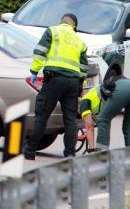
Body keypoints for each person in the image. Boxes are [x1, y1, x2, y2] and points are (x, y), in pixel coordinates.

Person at [24, 13, 89, 159]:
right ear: (75, 27)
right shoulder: (80, 41)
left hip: (54, 80)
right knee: (70, 119)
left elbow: (40, 52)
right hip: (72, 83)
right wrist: (79, 86)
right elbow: (84, 67)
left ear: (61, 22)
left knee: (42, 116)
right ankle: (70, 154)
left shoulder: (52, 31)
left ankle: (30, 151)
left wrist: (34, 71)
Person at [80, 75, 130, 151]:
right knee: (129, 127)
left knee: (103, 120)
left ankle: (101, 155)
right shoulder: (95, 90)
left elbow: (89, 127)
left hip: (122, 88)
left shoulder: (84, 100)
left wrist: (91, 150)